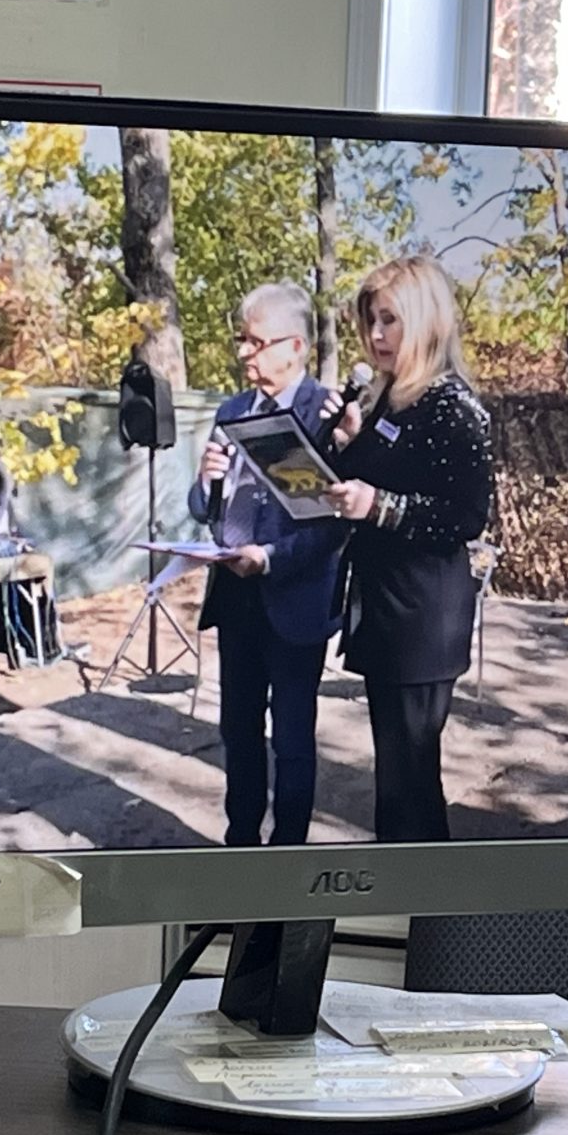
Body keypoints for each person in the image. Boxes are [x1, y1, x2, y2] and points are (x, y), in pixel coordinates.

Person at [324, 256, 493, 842]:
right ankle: (400, 884)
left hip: (424, 616)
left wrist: (379, 506)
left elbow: (466, 516)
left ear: (425, 320)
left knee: (411, 784)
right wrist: (342, 443)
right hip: (383, 607)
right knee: (395, 781)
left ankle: (424, 892)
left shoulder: (452, 405)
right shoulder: (389, 398)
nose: (375, 335)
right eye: (370, 320)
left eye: (389, 320)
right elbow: (368, 480)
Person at [186, 283, 349, 847]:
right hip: (235, 596)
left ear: (295, 346)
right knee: (238, 730)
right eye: (242, 340)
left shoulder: (328, 414)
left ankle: (287, 858)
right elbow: (202, 507)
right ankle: (241, 846)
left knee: (293, 740)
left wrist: (271, 559)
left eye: (255, 342)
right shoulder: (231, 411)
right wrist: (205, 482)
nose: (243, 353)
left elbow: (333, 525)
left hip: (295, 599)